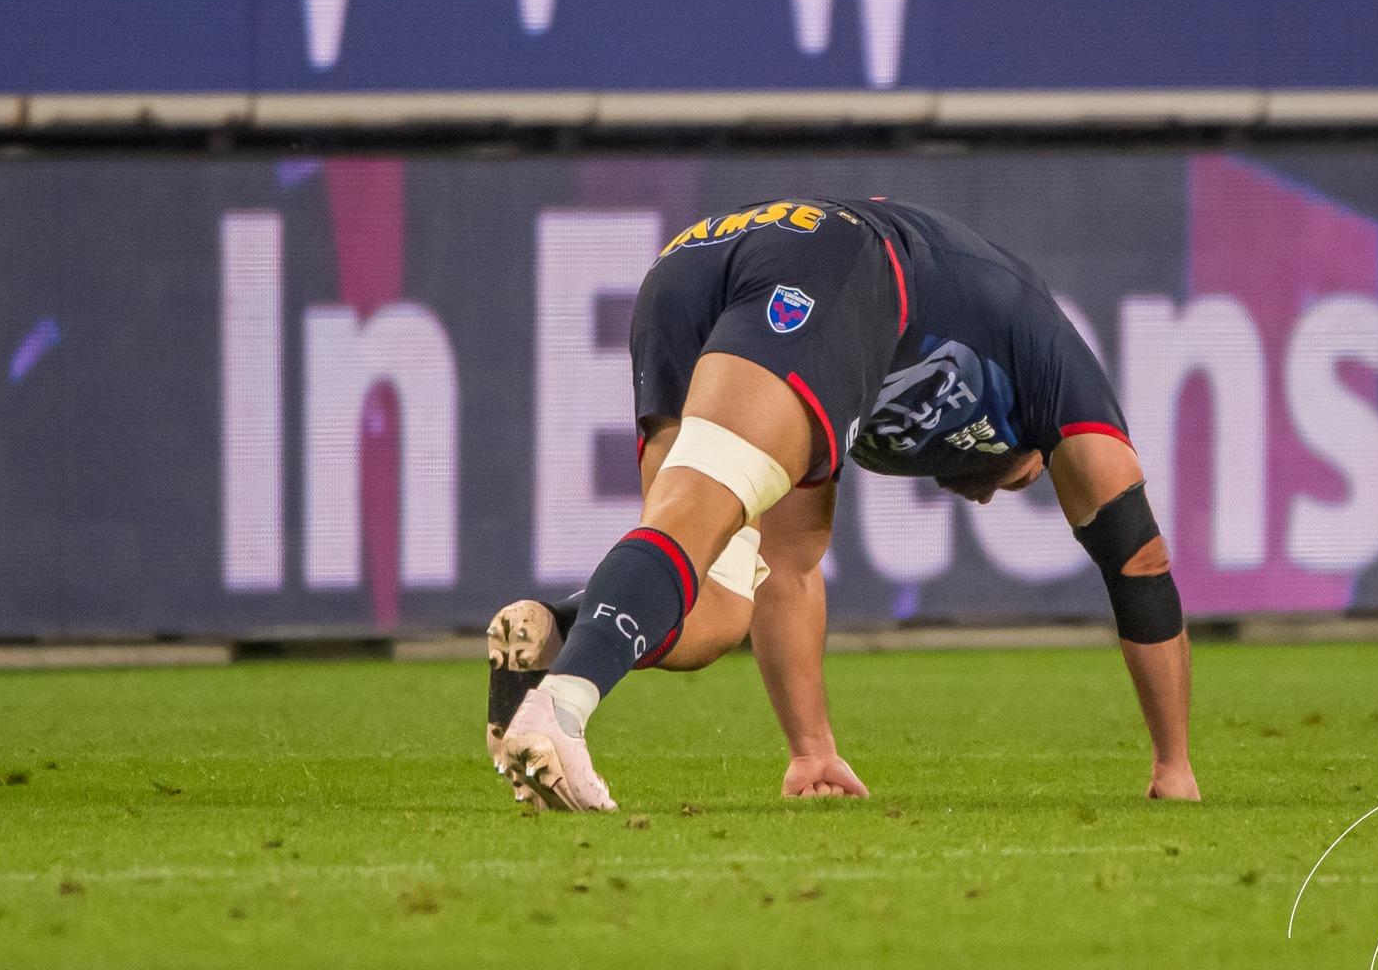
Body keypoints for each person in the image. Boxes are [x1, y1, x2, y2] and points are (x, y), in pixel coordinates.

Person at [486, 196, 1199, 810]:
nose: (995, 496)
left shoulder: (861, 368)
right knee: (693, 516)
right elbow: (1139, 556)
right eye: (1025, 479)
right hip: (830, 260)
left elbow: (789, 567)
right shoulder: (1052, 369)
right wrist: (1174, 767)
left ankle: (552, 633)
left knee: (717, 604)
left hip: (694, 261)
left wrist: (812, 751)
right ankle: (561, 710)